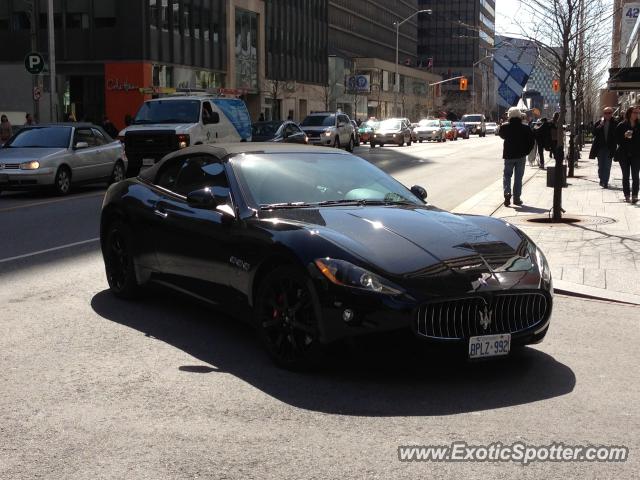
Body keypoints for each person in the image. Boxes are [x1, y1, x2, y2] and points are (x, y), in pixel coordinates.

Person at [499, 107, 536, 206]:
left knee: (507, 175)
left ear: (509, 116)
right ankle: (516, 198)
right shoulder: (526, 128)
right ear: (520, 115)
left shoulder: (504, 127)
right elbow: (531, 142)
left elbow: (501, 135)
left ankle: (507, 193)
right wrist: (526, 151)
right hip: (521, 155)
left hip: (508, 155)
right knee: (518, 178)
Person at [614, 106, 640, 203]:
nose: (636, 114)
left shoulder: (639, 125)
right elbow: (616, 140)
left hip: (636, 154)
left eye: (638, 113)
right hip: (624, 154)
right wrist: (624, 136)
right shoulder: (622, 125)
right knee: (625, 175)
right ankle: (627, 195)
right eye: (635, 112)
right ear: (629, 113)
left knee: (635, 176)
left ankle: (635, 195)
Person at [589, 107, 618, 188]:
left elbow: (618, 135)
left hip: (609, 148)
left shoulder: (615, 123)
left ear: (612, 114)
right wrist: (600, 126)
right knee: (601, 165)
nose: (607, 115)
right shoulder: (599, 123)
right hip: (600, 148)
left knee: (607, 166)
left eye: (609, 113)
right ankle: (601, 178)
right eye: (606, 113)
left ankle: (605, 181)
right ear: (603, 114)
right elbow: (594, 133)